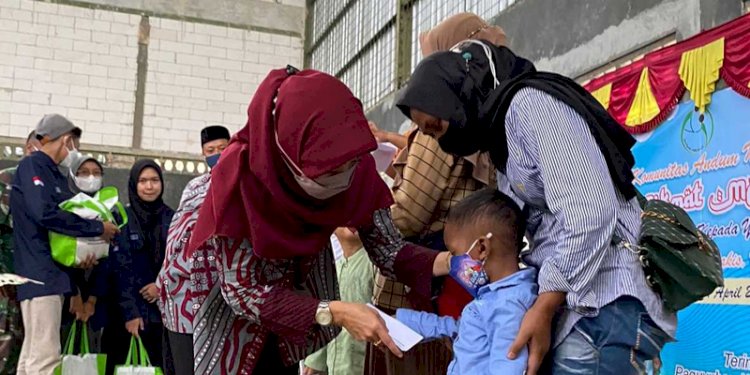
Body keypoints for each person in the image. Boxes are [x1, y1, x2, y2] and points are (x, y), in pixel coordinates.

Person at [396, 39, 675, 374]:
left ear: (458, 97)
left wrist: (544, 305)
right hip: (576, 304)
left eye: (437, 127)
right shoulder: (501, 140)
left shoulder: (529, 106)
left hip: (604, 300)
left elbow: (591, 211)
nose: (442, 142)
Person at [187, 67, 452, 374]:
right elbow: (242, 290)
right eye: (327, 171)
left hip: (296, 308)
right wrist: (335, 312)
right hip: (232, 311)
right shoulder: (240, 181)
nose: (344, 178)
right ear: (289, 154)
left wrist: (450, 262)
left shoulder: (354, 164)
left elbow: (389, 249)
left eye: (351, 164)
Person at [367, 13, 503, 375]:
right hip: (462, 281)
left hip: (421, 289)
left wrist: (371, 214)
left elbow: (409, 214)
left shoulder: (437, 124)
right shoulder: (483, 118)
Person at [11, 114, 118, 375]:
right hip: (39, 275)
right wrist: (97, 228)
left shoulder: (54, 174)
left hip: (52, 276)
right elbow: (44, 213)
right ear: (66, 141)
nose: (75, 151)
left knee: (31, 359)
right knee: (45, 361)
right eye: (74, 145)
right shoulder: (34, 167)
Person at [396, 188, 536, 375]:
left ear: (481, 248)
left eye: (454, 253)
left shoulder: (507, 305)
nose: (452, 262)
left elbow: (508, 367)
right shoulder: (492, 298)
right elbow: (452, 327)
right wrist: (398, 321)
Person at [157, 125, 230, 375]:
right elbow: (178, 234)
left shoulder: (241, 183)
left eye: (223, 148)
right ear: (202, 153)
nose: (217, 154)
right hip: (182, 295)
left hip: (222, 294)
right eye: (211, 150)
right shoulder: (194, 187)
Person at [111, 160, 174, 374]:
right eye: (143, 181)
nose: (149, 186)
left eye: (155, 180)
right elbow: (120, 268)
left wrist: (161, 286)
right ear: (134, 184)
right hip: (129, 314)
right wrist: (130, 313)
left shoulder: (172, 218)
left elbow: (178, 262)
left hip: (164, 314)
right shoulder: (122, 217)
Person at [303, 228, 375, 375]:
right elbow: (325, 318)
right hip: (335, 365)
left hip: (362, 366)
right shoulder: (333, 266)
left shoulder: (376, 265)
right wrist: (315, 360)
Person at [61, 155, 112, 354]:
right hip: (66, 297)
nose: (91, 177)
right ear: (73, 176)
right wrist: (73, 293)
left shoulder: (108, 210)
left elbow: (111, 259)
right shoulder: (64, 209)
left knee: (90, 357)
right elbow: (57, 254)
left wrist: (91, 300)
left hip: (96, 299)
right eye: (84, 173)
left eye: (96, 173)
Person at [0, 131, 41, 374]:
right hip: (6, 283)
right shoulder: (7, 180)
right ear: (28, 148)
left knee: (28, 355)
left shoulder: (50, 185)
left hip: (37, 284)